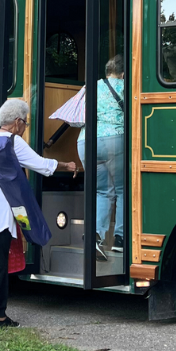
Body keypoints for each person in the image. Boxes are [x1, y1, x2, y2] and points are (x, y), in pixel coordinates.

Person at [0, 99, 77, 332]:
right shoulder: (12, 141)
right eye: (25, 123)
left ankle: (1, 316)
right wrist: (68, 165)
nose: (25, 127)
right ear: (16, 122)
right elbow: (41, 164)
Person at [77, 55, 125, 262]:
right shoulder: (124, 86)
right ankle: (120, 239)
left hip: (86, 142)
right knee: (123, 190)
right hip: (114, 140)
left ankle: (95, 236)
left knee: (102, 191)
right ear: (123, 74)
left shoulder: (91, 86)